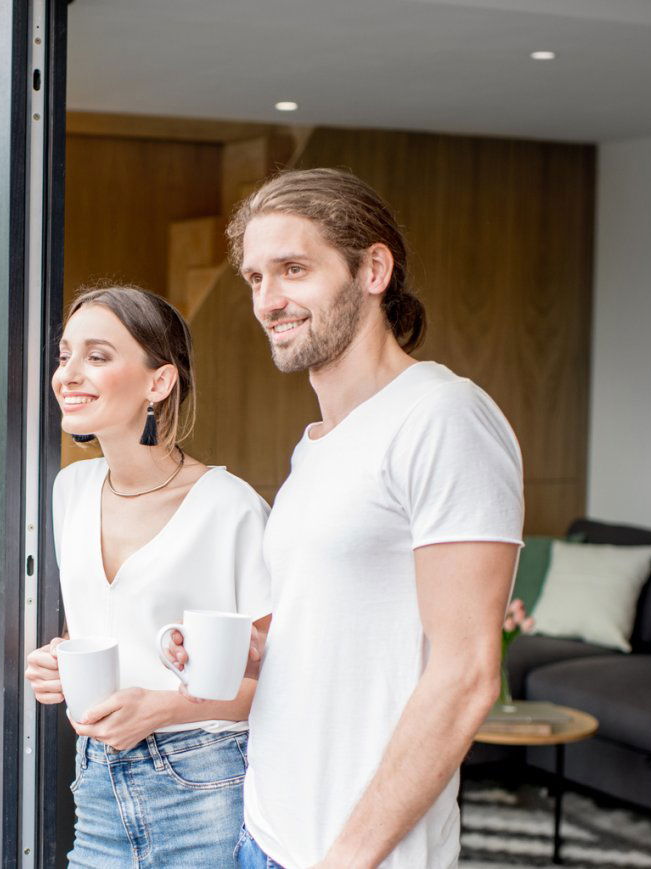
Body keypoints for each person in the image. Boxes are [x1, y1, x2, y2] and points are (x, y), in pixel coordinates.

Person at [219, 168, 524, 867]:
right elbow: (340, 626)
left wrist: (346, 858)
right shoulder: (317, 446)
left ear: (373, 268)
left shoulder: (443, 416)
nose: (269, 300)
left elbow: (467, 673)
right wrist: (256, 646)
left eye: (293, 269)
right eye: (255, 278)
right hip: (265, 836)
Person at [25, 286, 274, 867]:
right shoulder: (72, 491)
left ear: (158, 383)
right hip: (96, 782)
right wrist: (57, 658)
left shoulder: (229, 507)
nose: (68, 374)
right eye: (65, 355)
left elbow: (276, 683)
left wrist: (164, 708)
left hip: (202, 790)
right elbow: (118, 625)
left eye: (98, 355)